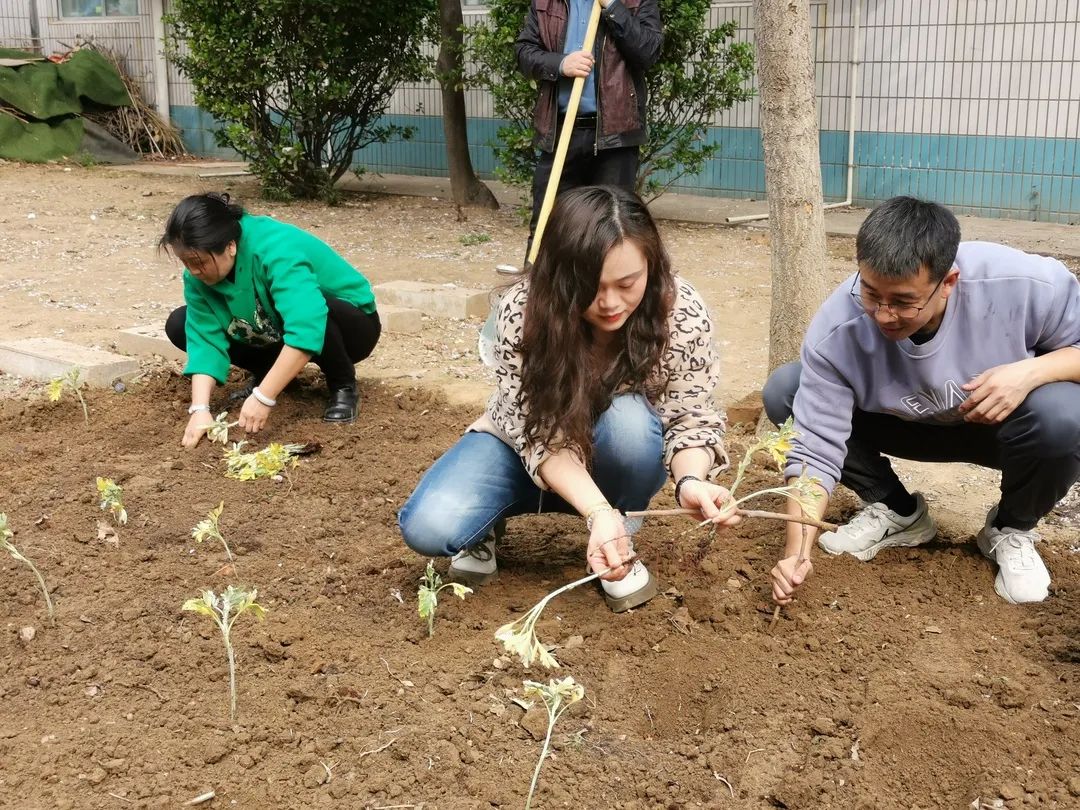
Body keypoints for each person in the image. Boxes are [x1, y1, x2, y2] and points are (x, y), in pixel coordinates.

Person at [399, 185, 737, 612]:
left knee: (631, 426)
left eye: (627, 283)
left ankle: (617, 537)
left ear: (651, 264)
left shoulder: (679, 311)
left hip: (614, 450)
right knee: (430, 527)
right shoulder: (521, 313)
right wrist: (594, 510)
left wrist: (691, 481)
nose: (611, 303)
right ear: (559, 277)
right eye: (589, 288)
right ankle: (496, 524)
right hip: (521, 448)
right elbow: (539, 436)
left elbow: (689, 415)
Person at [763, 196, 1080, 606]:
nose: (882, 314)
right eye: (871, 294)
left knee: (1066, 416)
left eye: (903, 302)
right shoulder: (838, 328)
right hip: (906, 426)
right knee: (787, 390)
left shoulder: (1025, 284)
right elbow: (813, 448)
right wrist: (796, 552)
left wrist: (1029, 372)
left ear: (948, 282)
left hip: (1001, 429)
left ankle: (1010, 529)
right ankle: (898, 511)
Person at [160, 193, 381, 446]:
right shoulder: (197, 277)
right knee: (180, 323)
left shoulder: (275, 248)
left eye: (199, 262)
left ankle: (342, 383)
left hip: (352, 325)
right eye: (186, 262)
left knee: (312, 305)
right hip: (276, 325)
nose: (194, 271)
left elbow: (306, 325)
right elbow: (204, 338)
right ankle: (270, 373)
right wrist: (200, 409)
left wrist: (264, 397)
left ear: (230, 246)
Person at [508, 0, 663, 270]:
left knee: (612, 230)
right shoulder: (546, 3)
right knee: (548, 226)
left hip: (615, 137)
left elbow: (649, 51)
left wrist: (613, 7)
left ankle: (605, 305)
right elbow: (524, 52)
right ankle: (535, 300)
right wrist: (560, 64)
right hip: (561, 132)